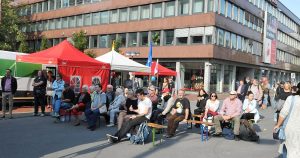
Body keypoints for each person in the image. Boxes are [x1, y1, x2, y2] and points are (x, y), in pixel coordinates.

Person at [274, 82, 300, 158]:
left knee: (288, 149)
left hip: (290, 128)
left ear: (297, 89)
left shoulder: (291, 99)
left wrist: (278, 125)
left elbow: (283, 113)